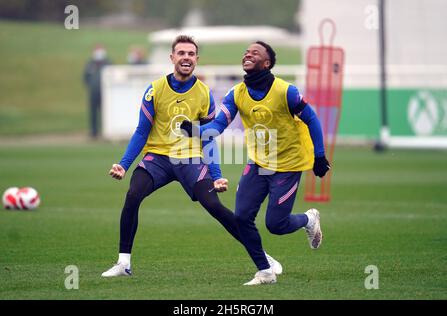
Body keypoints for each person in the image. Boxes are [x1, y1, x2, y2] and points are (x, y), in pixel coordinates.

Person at [101, 35, 282, 278]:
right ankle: (124, 263)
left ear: (196, 59)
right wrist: (124, 165)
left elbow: (208, 137)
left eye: (191, 54)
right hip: (158, 158)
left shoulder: (204, 93)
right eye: (181, 53)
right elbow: (142, 131)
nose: (186, 57)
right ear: (172, 57)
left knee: (214, 206)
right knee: (133, 195)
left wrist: (217, 175)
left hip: (190, 159)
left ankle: (261, 255)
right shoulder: (154, 90)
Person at [181, 41, 331, 285]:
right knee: (241, 217)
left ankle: (309, 219)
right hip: (259, 163)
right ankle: (265, 271)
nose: (248, 54)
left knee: (276, 224)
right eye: (246, 52)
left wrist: (320, 155)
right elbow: (218, 126)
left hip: (288, 165)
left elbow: (312, 119)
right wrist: (196, 130)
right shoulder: (237, 93)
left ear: (267, 63)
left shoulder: (286, 92)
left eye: (255, 53)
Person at [83, 44, 111, 138]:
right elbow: (85, 77)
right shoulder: (90, 63)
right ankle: (94, 131)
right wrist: (90, 86)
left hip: (105, 93)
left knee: (105, 112)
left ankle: (105, 131)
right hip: (93, 92)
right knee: (93, 112)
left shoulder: (108, 63)